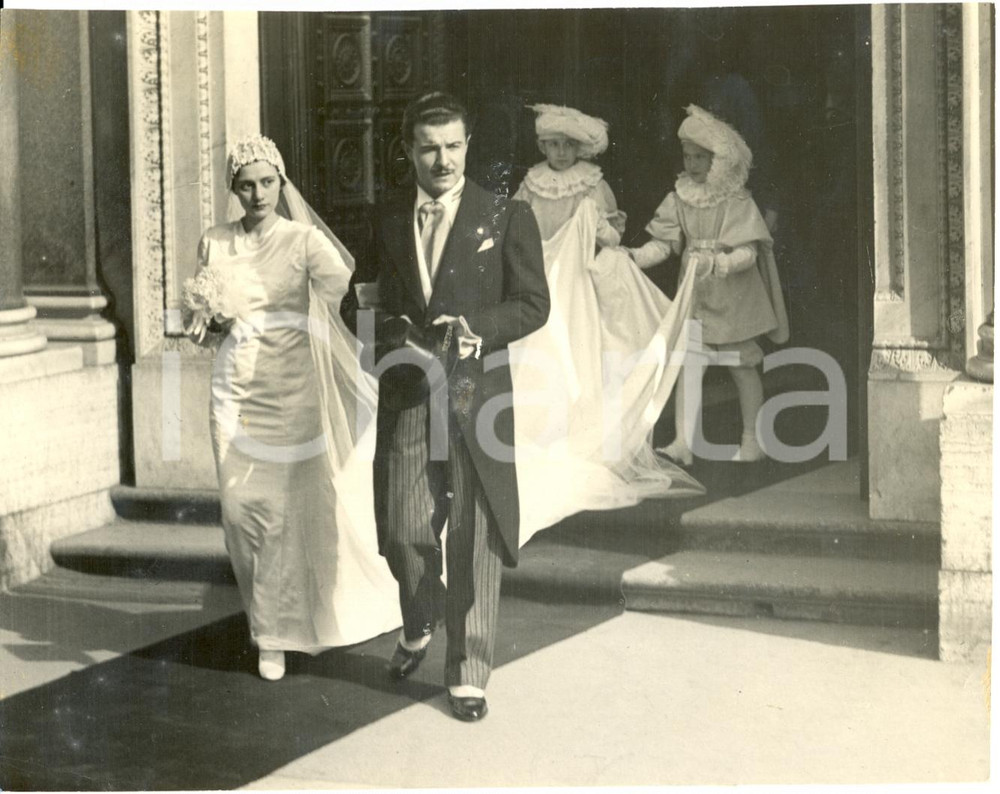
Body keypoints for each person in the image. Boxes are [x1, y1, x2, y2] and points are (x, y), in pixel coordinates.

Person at [340, 92, 549, 722]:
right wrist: (391, 332)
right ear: (408, 150)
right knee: (401, 527)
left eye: (453, 145)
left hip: (475, 393)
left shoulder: (505, 215)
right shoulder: (383, 218)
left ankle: (468, 672)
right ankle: (423, 611)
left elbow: (533, 303)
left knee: (475, 531)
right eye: (429, 148)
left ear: (467, 146)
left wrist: (477, 328)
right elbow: (355, 302)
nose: (443, 160)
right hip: (409, 389)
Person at [183, 135, 402, 682]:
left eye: (267, 182)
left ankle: (276, 635)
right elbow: (199, 326)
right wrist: (207, 322)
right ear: (233, 189)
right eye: (246, 185)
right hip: (234, 389)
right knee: (239, 510)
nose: (258, 194)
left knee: (282, 511)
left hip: (292, 386)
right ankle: (268, 618)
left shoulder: (303, 240)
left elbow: (349, 294)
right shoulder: (214, 241)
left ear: (282, 183)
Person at [508, 104, 704, 541]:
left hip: (576, 284)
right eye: (553, 145)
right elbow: (515, 227)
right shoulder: (532, 182)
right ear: (541, 146)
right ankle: (537, 436)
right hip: (539, 277)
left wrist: (596, 227)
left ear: (581, 148)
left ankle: (580, 435)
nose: (560, 153)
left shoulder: (593, 184)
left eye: (568, 146)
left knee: (577, 356)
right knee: (534, 357)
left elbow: (612, 235)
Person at [628, 105, 789, 465]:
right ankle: (683, 441)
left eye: (700, 157)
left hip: (733, 296)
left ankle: (752, 439)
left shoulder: (735, 200)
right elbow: (665, 244)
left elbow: (749, 250)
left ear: (718, 161)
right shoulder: (680, 197)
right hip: (695, 295)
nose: (692, 164)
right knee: (689, 364)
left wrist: (721, 262)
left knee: (741, 364)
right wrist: (636, 257)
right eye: (687, 157)